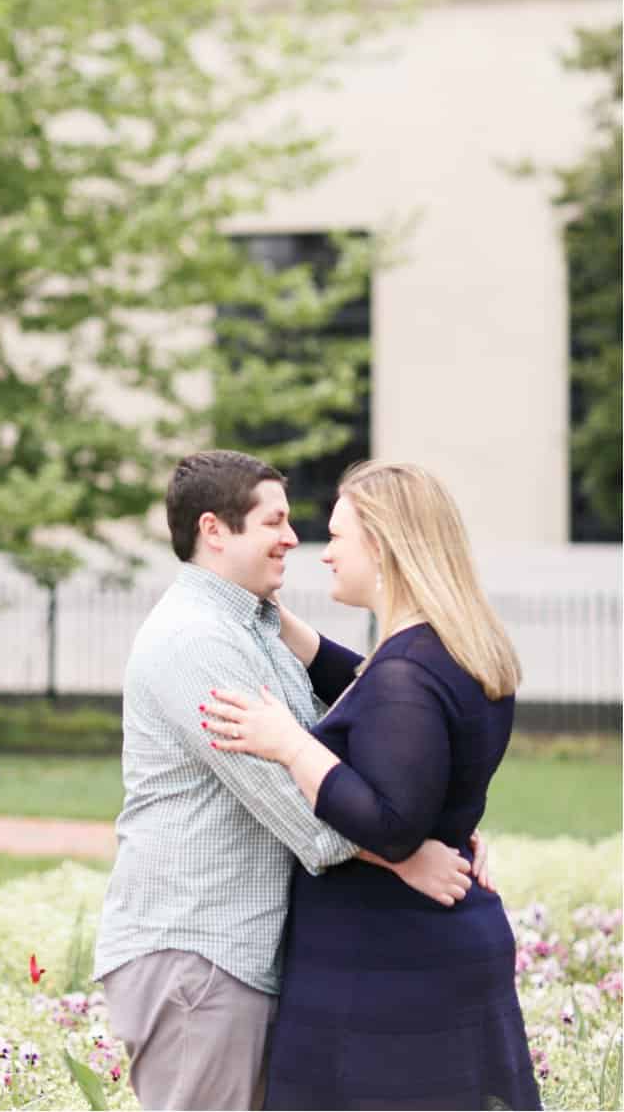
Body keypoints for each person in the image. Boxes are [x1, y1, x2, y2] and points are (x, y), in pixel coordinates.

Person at [94, 450, 482, 1112]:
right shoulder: (197, 640)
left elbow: (367, 720)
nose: (293, 538)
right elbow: (291, 801)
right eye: (275, 520)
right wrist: (407, 855)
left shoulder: (256, 626)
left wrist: (446, 819)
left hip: (236, 956)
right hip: (199, 953)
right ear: (215, 531)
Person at [203, 460, 541, 1111]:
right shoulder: (444, 651)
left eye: (337, 536)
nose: (323, 552)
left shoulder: (406, 676)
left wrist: (289, 742)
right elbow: (362, 687)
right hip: (426, 950)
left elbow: (391, 821)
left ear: (381, 546)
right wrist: (279, 620)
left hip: (386, 971)